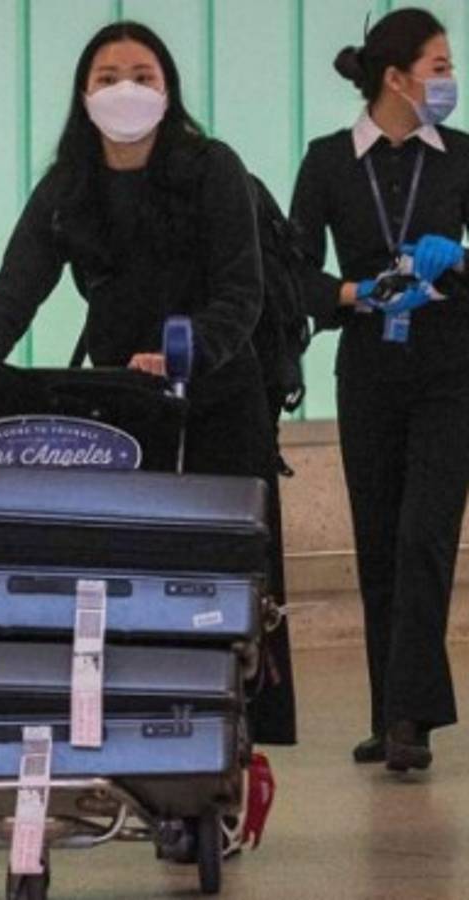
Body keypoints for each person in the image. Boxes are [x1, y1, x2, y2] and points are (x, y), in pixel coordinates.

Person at [0, 21, 297, 745]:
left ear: (168, 90)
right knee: (130, 575)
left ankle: (238, 729)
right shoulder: (68, 184)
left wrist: (188, 351)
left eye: (142, 76)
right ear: (83, 94)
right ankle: (132, 720)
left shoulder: (212, 168)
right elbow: (19, 285)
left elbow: (242, 290)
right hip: (122, 403)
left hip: (218, 398)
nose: (125, 90)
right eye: (108, 78)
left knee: (226, 572)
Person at [291, 7, 469, 774]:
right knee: (380, 540)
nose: (450, 80)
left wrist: (457, 258)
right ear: (396, 78)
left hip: (450, 367)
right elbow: (293, 270)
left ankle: (409, 720)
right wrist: (352, 292)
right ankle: (389, 712)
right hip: (368, 366)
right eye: (439, 66)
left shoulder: (461, 157)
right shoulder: (329, 161)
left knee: (425, 535)